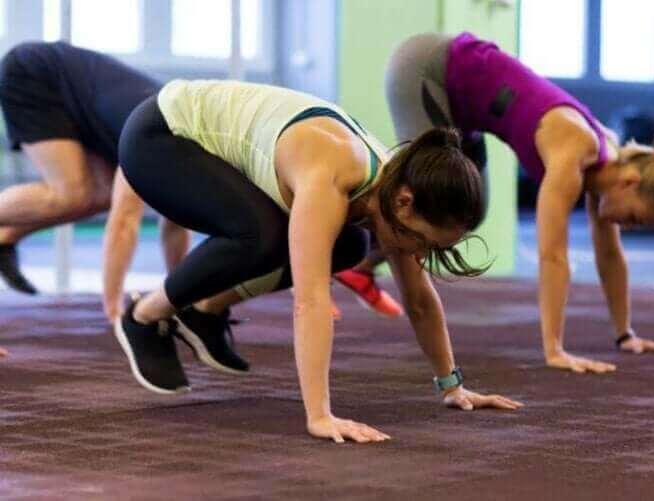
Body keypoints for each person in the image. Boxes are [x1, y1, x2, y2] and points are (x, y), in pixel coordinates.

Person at [115, 79, 523, 444]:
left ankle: (204, 312)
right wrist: (320, 415)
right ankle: (144, 315)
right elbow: (309, 300)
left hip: (206, 149)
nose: (419, 255)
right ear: (405, 203)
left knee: (350, 247)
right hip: (159, 137)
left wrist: (452, 386)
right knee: (260, 235)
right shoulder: (333, 174)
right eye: (422, 243)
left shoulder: (398, 189)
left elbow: (419, 298)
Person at [342, 32, 654, 374]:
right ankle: (330, 240)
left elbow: (610, 255)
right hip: (426, 68)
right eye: (635, 218)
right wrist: (554, 349)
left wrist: (626, 335)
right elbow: (552, 255)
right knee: (426, 200)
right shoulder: (577, 150)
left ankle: (360, 265)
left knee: (468, 213)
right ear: (630, 181)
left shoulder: (607, 163)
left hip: (461, 108)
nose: (625, 225)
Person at [0, 41, 189, 320]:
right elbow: (124, 223)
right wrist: (114, 311)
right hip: (34, 73)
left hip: (79, 99)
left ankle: (4, 239)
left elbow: (176, 220)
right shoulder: (156, 140)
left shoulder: (187, 153)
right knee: (70, 194)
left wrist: (183, 300)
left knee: (101, 194)